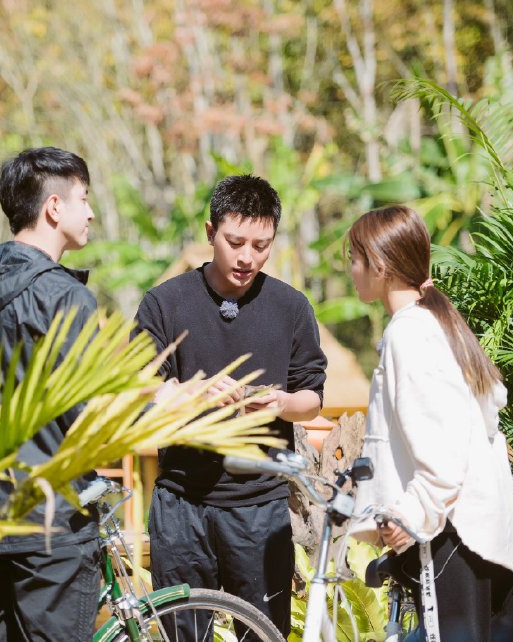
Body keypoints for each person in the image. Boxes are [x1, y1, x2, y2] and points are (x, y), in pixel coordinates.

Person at [133, 174, 327, 638]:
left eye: (262, 245)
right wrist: (192, 392)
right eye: (235, 241)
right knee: (183, 632)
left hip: (260, 507)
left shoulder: (291, 307)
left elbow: (312, 398)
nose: (247, 257)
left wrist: (282, 403)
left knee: (263, 632)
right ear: (209, 232)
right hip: (182, 504)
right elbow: (139, 386)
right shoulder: (165, 302)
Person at [347, 205, 513, 642]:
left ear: (380, 264)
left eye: (354, 258)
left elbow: (442, 454)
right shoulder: (438, 322)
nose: (350, 270)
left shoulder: (408, 334)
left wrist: (405, 516)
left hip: (454, 535)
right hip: (486, 531)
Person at [0, 147, 99, 642]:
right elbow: (86, 412)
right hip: (50, 525)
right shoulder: (64, 296)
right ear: (54, 207)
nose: (91, 212)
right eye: (84, 198)